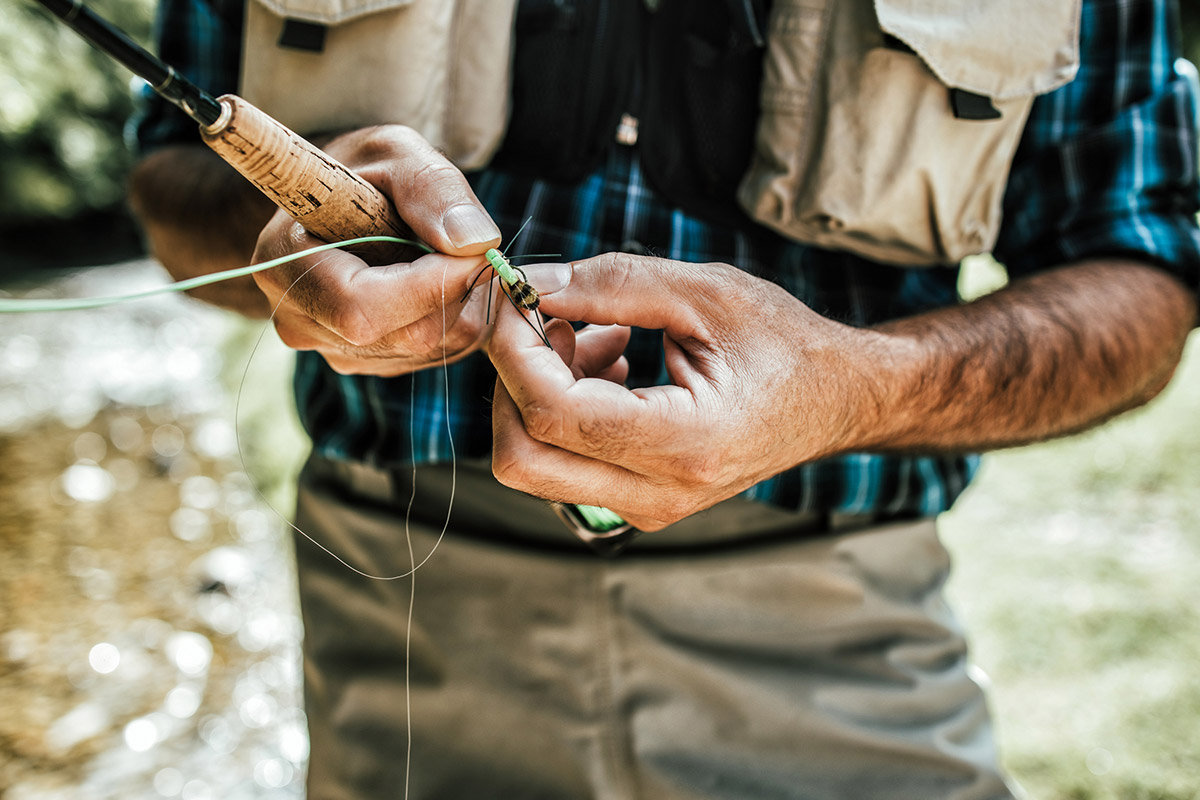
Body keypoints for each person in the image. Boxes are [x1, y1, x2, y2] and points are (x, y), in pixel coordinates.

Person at [128, 0, 1200, 797]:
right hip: (405, 634)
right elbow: (171, 181)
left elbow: (1142, 270)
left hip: (842, 637)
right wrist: (292, 226)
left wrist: (851, 387)